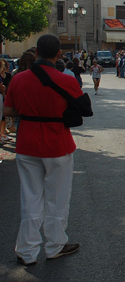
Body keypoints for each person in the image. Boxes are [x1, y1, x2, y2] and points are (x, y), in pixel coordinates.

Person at [4, 34, 83, 266]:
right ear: (59, 54)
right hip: (58, 143)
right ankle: (55, 245)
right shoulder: (66, 80)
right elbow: (80, 106)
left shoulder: (18, 79)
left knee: (30, 198)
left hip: (28, 143)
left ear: (36, 53)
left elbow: (8, 111)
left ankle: (27, 251)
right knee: (57, 198)